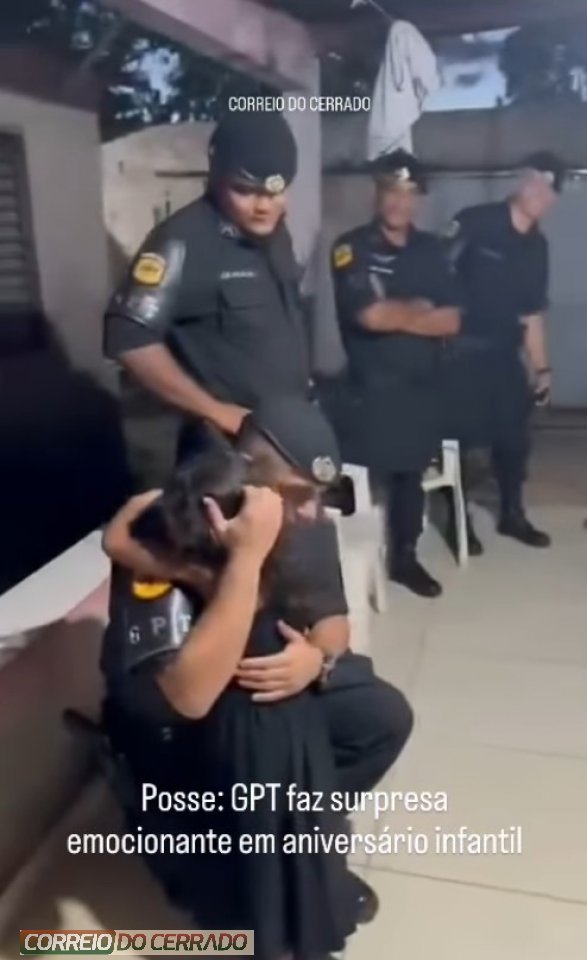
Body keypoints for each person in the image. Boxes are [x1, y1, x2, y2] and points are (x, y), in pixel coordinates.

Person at [101, 397, 414, 956]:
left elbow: (333, 624)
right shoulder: (175, 525)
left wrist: (314, 660)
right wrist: (236, 563)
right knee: (258, 737)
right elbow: (186, 698)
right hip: (181, 722)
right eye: (296, 495)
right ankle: (236, 867)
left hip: (261, 687)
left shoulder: (304, 519)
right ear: (244, 483)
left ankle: (299, 849)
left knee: (380, 717)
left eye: (318, 495)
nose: (312, 512)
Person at [103, 111, 314, 464]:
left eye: (274, 192)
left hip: (287, 441)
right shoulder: (182, 241)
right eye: (244, 191)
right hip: (226, 452)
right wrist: (217, 412)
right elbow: (127, 339)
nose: (263, 206)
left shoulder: (276, 235)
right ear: (216, 176)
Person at [328, 149, 461, 598]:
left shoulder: (432, 250)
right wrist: (420, 307)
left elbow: (452, 320)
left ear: (418, 199)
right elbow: (368, 316)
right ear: (377, 193)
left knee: (409, 480)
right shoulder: (351, 247)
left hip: (421, 390)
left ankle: (405, 557)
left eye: (408, 193)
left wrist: (397, 312)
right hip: (370, 390)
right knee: (357, 485)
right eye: (391, 191)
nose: (399, 202)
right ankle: (345, 567)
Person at [442, 151, 564, 552]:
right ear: (521, 179)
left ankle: (513, 514)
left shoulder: (538, 247)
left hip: (503, 357)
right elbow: (435, 277)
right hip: (460, 354)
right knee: (464, 445)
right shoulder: (475, 222)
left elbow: (532, 313)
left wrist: (542, 369)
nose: (541, 194)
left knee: (514, 441)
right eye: (536, 182)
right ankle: (459, 519)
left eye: (550, 190)